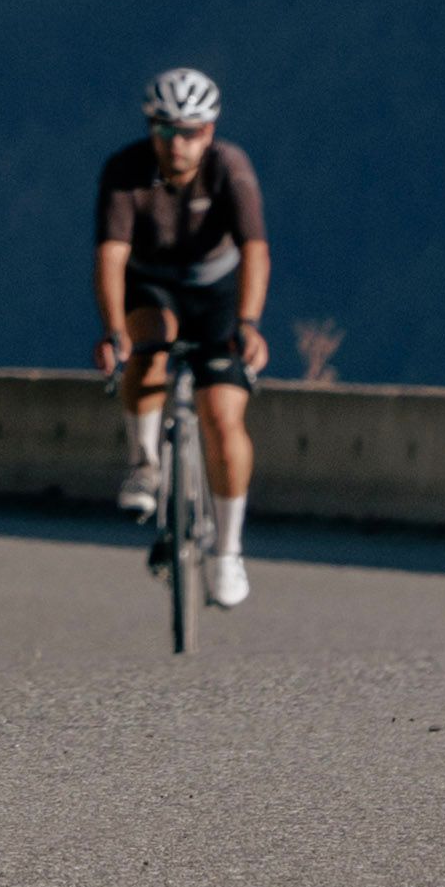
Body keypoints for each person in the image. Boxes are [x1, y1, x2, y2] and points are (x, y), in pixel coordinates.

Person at [97, 68, 268, 609]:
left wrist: (248, 323)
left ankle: (228, 550)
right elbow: (110, 257)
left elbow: (256, 249)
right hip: (150, 285)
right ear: (151, 129)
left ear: (210, 131)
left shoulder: (229, 169)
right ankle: (145, 460)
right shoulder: (126, 171)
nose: (178, 143)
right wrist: (114, 332)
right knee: (148, 349)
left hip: (215, 292)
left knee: (223, 417)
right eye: (167, 130)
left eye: (191, 131)